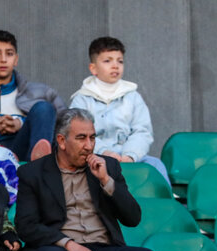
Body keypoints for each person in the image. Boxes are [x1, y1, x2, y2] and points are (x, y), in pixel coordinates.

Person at [14, 107, 164, 251]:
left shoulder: (108, 166)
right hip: (60, 249)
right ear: (61, 141)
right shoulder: (33, 172)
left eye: (92, 138)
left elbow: (133, 217)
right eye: (81, 138)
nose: (89, 146)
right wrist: (69, 245)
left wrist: (106, 180)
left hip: (104, 248)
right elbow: (26, 226)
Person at [70, 36, 169, 182]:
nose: (115, 65)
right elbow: (79, 134)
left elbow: (142, 131)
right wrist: (104, 152)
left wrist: (130, 155)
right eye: (107, 61)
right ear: (93, 68)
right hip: (94, 155)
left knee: (155, 165)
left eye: (120, 61)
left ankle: (165, 202)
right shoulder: (82, 99)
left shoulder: (133, 97)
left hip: (127, 155)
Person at [0, 30, 64, 162]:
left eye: (9, 54)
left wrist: (21, 124)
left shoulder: (41, 92)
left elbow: (66, 122)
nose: (3, 59)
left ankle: (38, 167)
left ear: (16, 59)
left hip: (21, 151)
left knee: (44, 108)